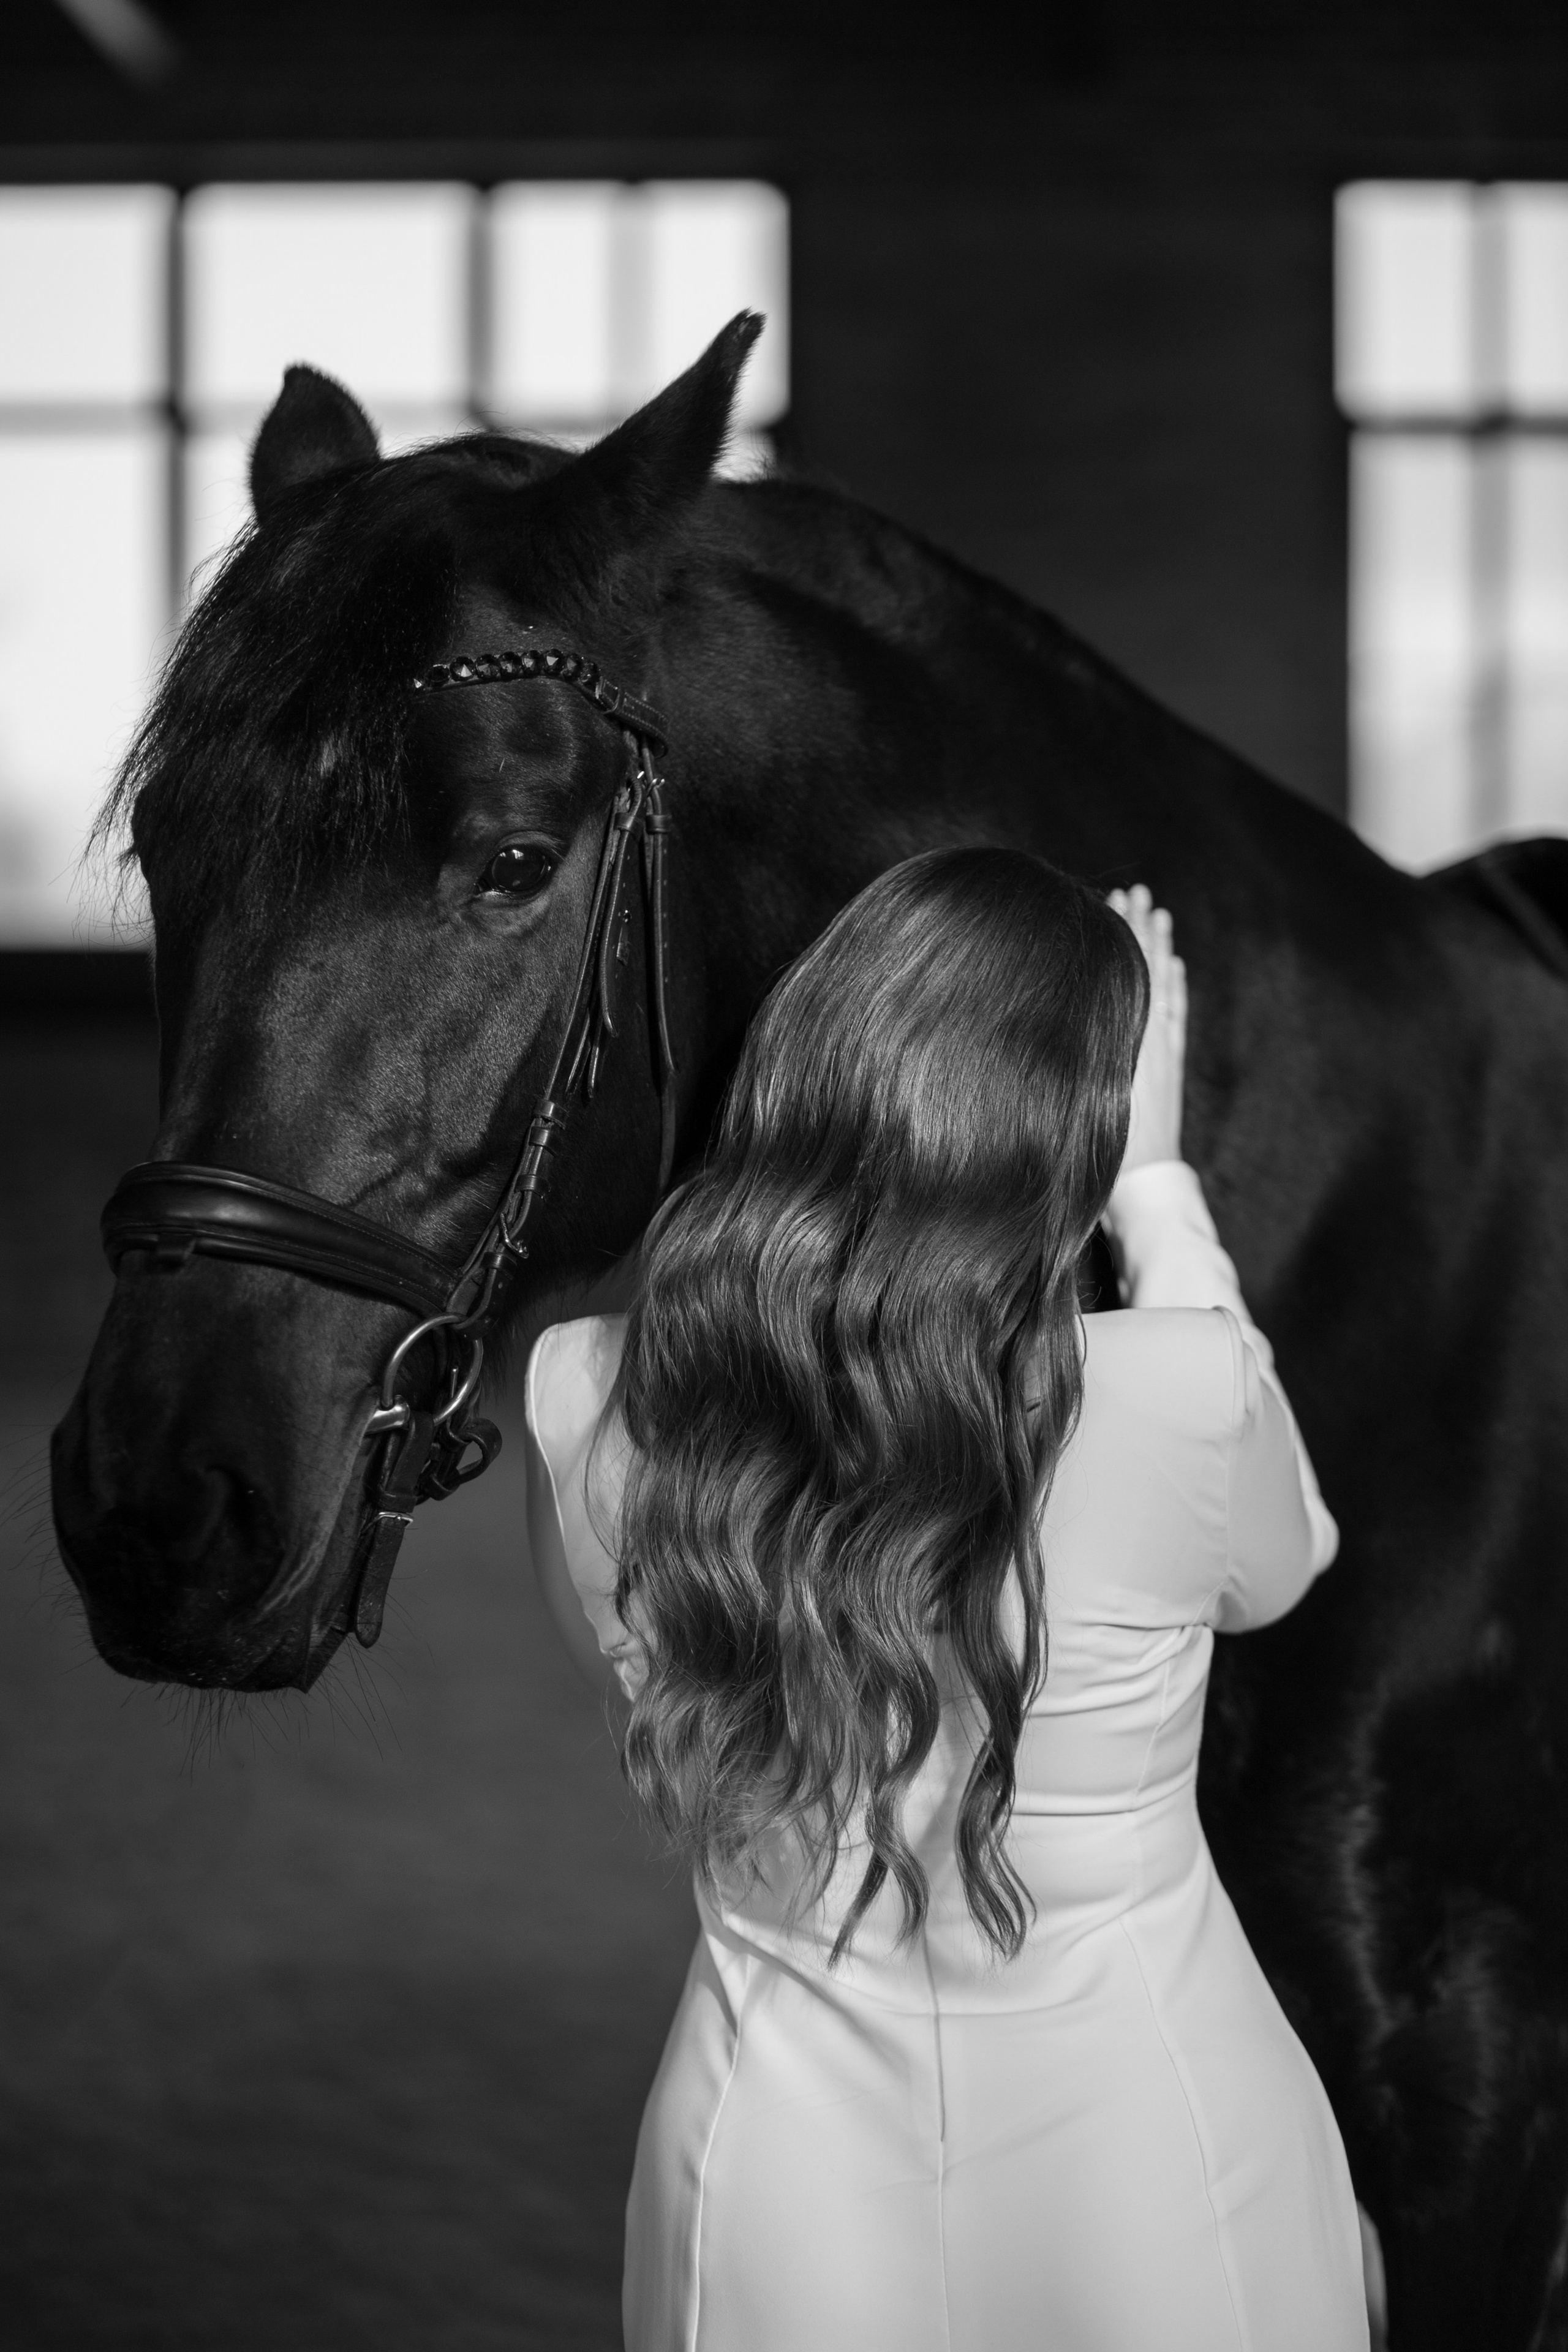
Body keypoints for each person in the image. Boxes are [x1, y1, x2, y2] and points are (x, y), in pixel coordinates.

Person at [524, 851, 1369, 2352]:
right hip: (1150, 2144)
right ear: (1071, 1133)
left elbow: (627, 1665)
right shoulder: (1179, 1387)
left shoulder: (585, 1390)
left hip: (771, 2160)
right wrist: (1163, 1199)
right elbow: (1281, 1564)